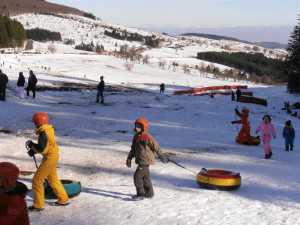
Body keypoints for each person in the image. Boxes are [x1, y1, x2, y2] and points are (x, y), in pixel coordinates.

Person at [26, 112, 69, 211]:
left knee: (37, 180)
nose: (34, 124)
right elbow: (46, 147)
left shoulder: (43, 132)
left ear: (38, 122)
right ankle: (63, 199)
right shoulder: (48, 129)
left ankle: (38, 205)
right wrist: (33, 150)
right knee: (52, 179)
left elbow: (41, 148)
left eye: (35, 122)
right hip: (52, 156)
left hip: (50, 158)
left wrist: (32, 145)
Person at [126, 117, 168, 200]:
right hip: (141, 160)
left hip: (145, 160)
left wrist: (161, 156)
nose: (136, 128)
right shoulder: (136, 136)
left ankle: (140, 194)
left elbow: (156, 146)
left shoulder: (147, 137)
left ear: (143, 127)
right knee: (145, 177)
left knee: (137, 176)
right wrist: (129, 158)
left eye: (139, 126)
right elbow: (133, 148)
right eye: (136, 126)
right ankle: (149, 193)